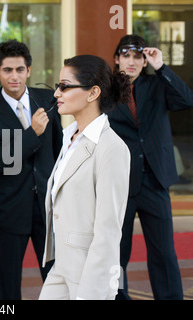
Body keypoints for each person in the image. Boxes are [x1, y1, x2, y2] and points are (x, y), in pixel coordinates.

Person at [0, 40, 63, 300]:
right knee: (10, 281)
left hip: (48, 206)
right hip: (11, 208)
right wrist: (32, 133)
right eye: (7, 70)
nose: (14, 76)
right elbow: (0, 161)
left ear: (29, 70)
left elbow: (58, 152)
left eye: (20, 69)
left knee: (56, 276)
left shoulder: (47, 99)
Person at [39, 54, 131, 300]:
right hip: (60, 267)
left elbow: (108, 232)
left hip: (89, 274)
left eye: (64, 86)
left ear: (92, 93)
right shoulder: (70, 138)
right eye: (58, 86)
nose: (57, 93)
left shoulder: (112, 148)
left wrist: (92, 293)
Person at [108, 34, 193, 300]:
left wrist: (161, 66)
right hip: (120, 183)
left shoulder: (157, 84)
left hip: (155, 179)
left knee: (164, 251)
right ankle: (117, 297)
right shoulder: (105, 91)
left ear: (144, 60)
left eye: (138, 56)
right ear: (117, 59)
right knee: (116, 253)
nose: (131, 62)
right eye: (126, 56)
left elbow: (186, 100)